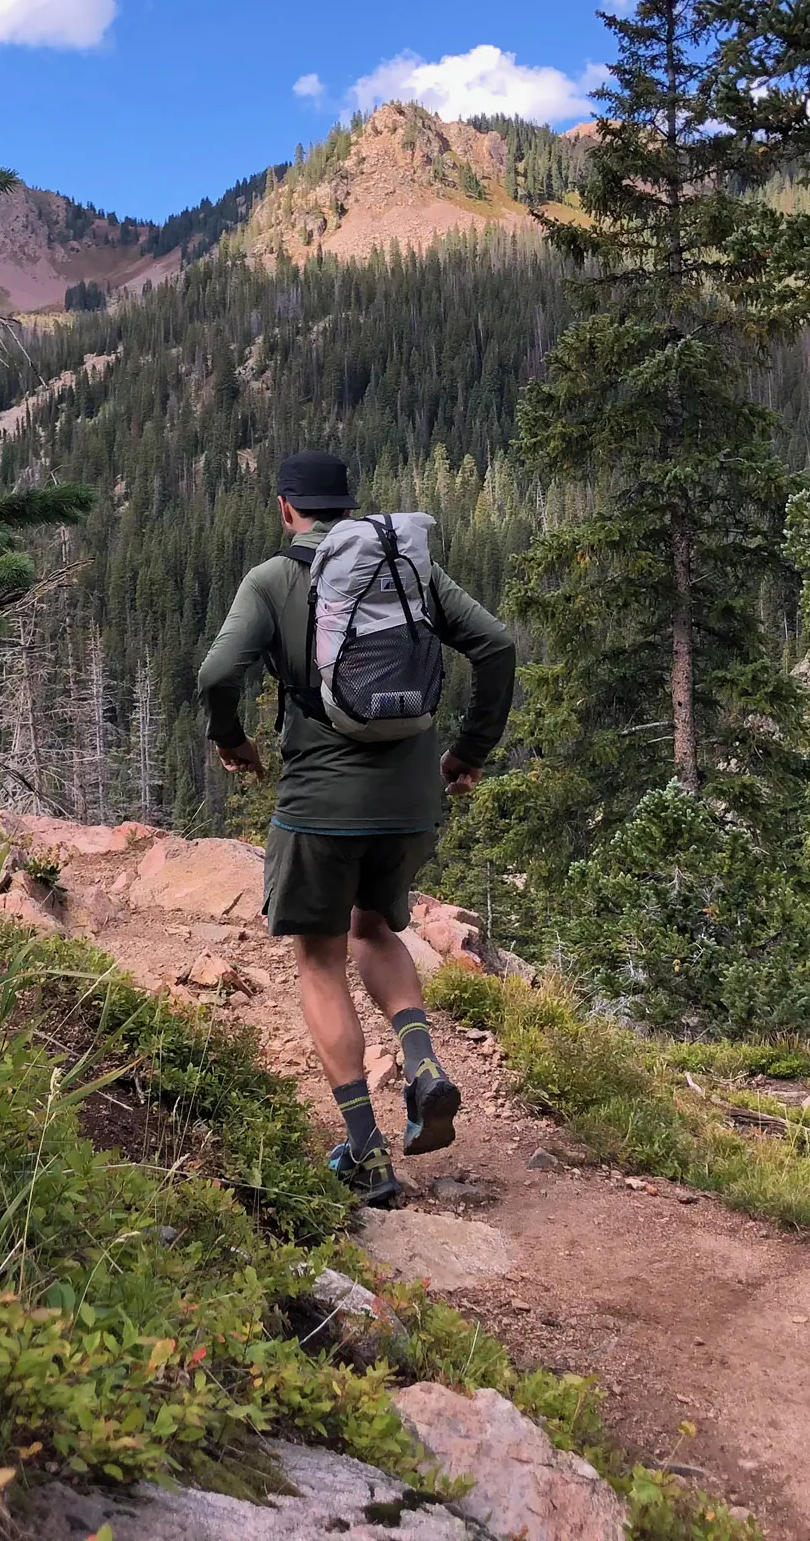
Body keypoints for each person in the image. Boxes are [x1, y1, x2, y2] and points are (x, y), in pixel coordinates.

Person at [196, 450, 516, 1207]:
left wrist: (233, 739)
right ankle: (424, 1064)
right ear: (349, 506)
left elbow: (217, 674)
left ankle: (366, 1153)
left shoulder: (275, 579)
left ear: (286, 509)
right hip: (410, 800)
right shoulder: (409, 570)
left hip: (320, 804)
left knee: (319, 958)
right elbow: (496, 645)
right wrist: (470, 750)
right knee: (377, 931)